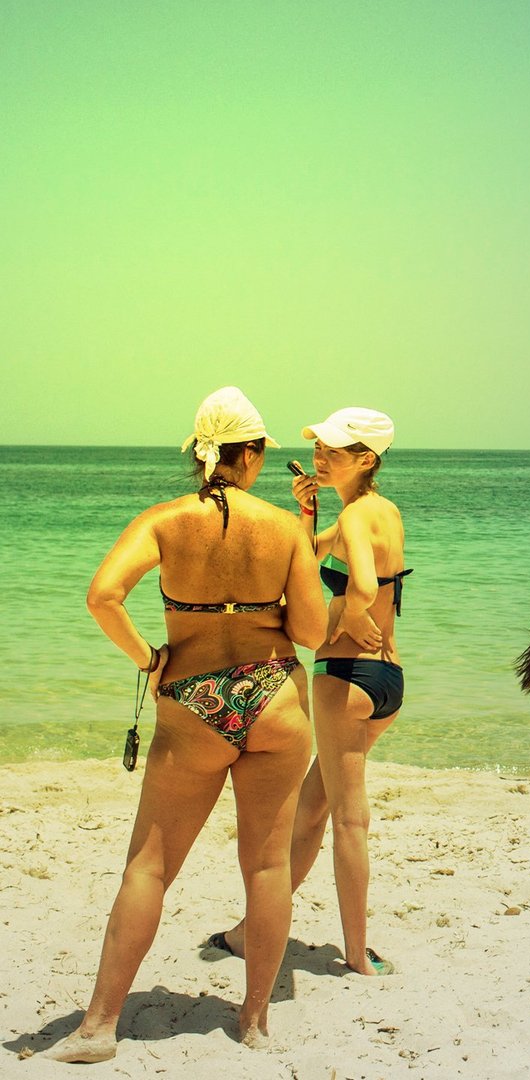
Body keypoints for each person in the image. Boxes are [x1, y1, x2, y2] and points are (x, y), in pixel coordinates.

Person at [49, 388, 325, 1062]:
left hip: (192, 699)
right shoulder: (285, 528)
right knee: (266, 866)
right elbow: (313, 632)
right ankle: (254, 1023)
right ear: (252, 452)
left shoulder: (165, 520)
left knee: (148, 867)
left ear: (199, 452)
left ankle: (97, 1029)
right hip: (273, 697)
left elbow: (102, 596)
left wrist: (150, 658)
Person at [210, 407, 406, 977]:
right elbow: (305, 557)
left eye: (333, 451)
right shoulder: (378, 511)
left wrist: (342, 612)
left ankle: (355, 955)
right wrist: (307, 510)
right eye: (318, 447)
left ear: (365, 460)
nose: (320, 457)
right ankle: (251, 930)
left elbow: (363, 585)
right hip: (387, 681)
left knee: (349, 819)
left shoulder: (355, 518)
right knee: (313, 807)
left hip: (347, 679)